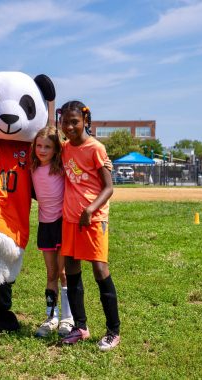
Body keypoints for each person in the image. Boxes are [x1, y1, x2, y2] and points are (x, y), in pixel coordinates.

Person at [58, 101, 121, 351]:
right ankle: (80, 327)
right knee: (71, 270)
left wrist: (91, 209)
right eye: (65, 121)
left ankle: (113, 330)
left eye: (74, 121)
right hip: (70, 218)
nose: (70, 126)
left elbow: (109, 187)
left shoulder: (96, 148)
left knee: (99, 269)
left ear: (85, 121)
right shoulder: (63, 149)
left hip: (93, 219)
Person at [30, 126, 74, 338]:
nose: (42, 150)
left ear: (56, 149)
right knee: (51, 274)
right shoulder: (32, 168)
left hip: (63, 223)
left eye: (47, 146)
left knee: (64, 273)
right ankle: (51, 317)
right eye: (39, 145)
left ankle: (68, 318)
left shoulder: (62, 167)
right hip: (45, 225)